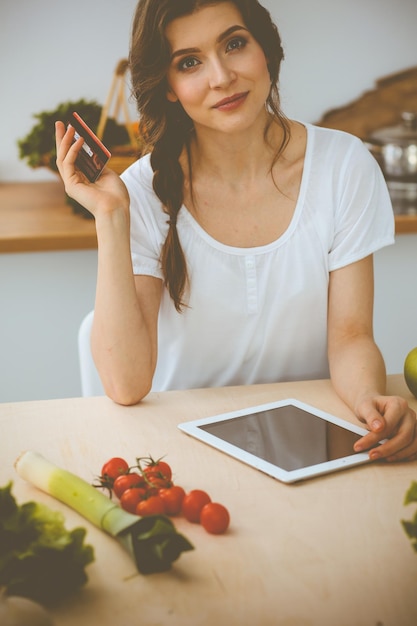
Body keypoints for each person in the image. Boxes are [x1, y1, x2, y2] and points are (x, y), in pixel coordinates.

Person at [55, 0, 417, 463]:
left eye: (234, 44)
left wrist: (369, 403)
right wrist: (110, 217)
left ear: (265, 48)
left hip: (307, 446)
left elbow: (349, 337)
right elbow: (126, 386)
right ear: (168, 86)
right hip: (174, 451)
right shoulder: (141, 192)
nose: (221, 76)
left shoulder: (344, 165)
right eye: (189, 62)